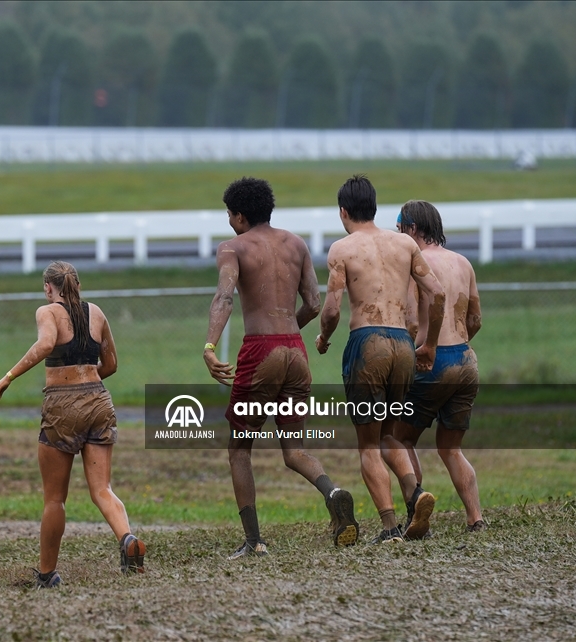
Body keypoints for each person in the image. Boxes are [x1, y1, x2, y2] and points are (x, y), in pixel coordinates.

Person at [203, 177, 359, 557]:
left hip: (260, 352)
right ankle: (333, 492)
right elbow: (313, 302)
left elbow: (224, 296)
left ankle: (254, 541)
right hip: (295, 350)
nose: (228, 222)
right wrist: (287, 333)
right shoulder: (297, 244)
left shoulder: (233, 247)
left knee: (240, 448)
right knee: (293, 449)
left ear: (239, 215)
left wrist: (209, 346)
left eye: (229, 214)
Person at [0, 261, 144, 588]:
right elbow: (112, 363)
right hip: (99, 400)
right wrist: (86, 378)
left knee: (55, 498)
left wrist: (8, 377)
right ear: (77, 285)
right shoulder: (96, 313)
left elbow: (46, 345)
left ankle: (47, 574)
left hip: (62, 404)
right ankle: (127, 538)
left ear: (49, 287)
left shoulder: (48, 312)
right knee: (102, 488)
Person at [316, 176, 446, 544]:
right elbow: (436, 293)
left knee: (368, 443)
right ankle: (416, 495)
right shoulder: (404, 243)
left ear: (343, 211)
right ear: (373, 207)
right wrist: (430, 345)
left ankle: (389, 527)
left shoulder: (342, 249)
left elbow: (331, 310)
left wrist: (324, 338)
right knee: (391, 433)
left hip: (367, 342)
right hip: (402, 344)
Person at [382, 201, 486, 537]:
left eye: (400, 228)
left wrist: (412, 352)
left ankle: (417, 513)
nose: (399, 235)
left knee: (399, 439)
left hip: (432, 359)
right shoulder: (463, 262)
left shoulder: (417, 264)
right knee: (451, 448)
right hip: (466, 360)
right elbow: (475, 319)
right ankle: (475, 519)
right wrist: (457, 343)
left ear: (412, 229)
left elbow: (412, 321)